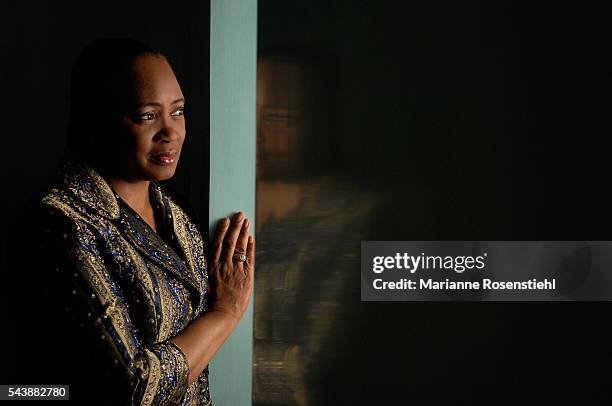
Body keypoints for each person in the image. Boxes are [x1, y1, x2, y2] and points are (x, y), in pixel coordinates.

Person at [2, 38, 254, 405]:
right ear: (95, 120)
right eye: (147, 116)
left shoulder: (177, 211)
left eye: (179, 111)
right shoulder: (58, 225)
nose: (171, 132)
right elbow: (129, 388)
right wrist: (224, 312)